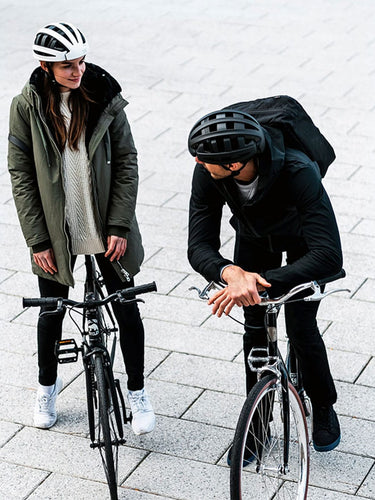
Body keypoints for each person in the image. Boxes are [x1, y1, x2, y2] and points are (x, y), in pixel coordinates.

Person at [8, 22, 155, 435]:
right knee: (50, 311)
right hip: (56, 229)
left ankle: (138, 392)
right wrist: (37, 238)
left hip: (107, 224)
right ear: (46, 66)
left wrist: (120, 225)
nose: (78, 71)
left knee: (126, 306)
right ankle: (46, 387)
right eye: (68, 65)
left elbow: (127, 162)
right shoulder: (27, 106)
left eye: (82, 62)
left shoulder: (103, 98)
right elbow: (20, 174)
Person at [187, 107, 343, 461]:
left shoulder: (298, 171)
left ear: (234, 164)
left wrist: (262, 282)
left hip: (306, 243)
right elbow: (199, 245)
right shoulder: (207, 173)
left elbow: (329, 254)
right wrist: (231, 274)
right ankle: (256, 428)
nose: (197, 162)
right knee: (255, 330)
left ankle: (323, 405)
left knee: (301, 327)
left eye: (205, 158)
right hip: (255, 237)